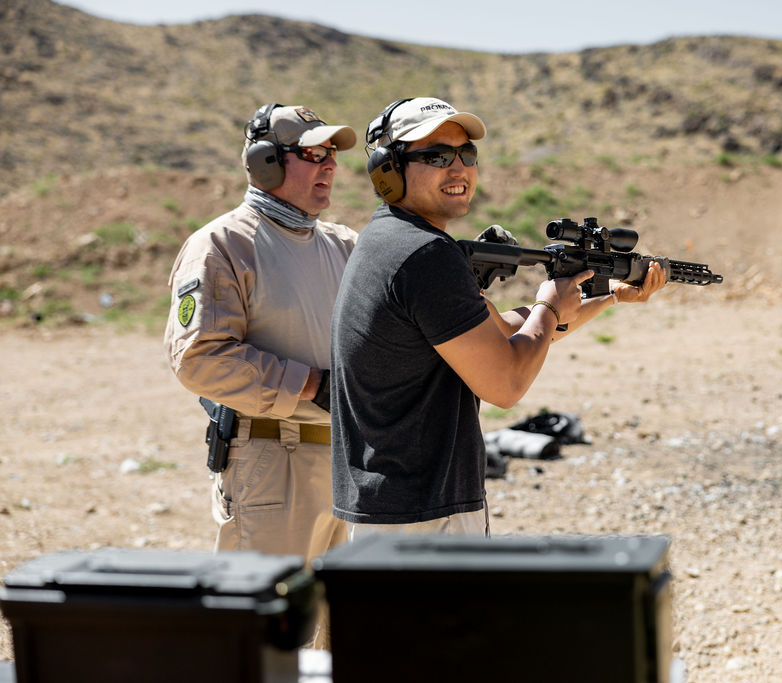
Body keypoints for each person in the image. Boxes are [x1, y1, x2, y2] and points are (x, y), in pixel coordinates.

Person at [329, 97, 666, 539]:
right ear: (388, 170)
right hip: (426, 514)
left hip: (395, 506)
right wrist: (547, 305)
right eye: (436, 156)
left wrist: (606, 299)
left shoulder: (389, 240)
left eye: (466, 155)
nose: (459, 169)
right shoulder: (427, 255)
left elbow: (503, 332)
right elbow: (506, 383)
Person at [164, 104, 358, 564]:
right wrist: (313, 385)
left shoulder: (345, 244)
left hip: (347, 464)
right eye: (313, 153)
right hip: (274, 462)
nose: (330, 163)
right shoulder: (222, 244)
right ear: (265, 162)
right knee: (268, 630)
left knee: (341, 632)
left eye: (332, 152)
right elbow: (199, 359)